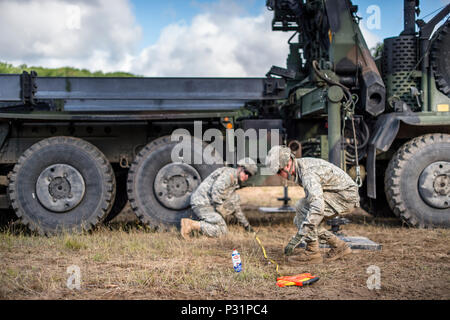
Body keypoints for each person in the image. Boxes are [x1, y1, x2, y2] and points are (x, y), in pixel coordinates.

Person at [265, 145, 360, 263]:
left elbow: (317, 207)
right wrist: (303, 230)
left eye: (279, 171)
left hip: (345, 197)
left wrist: (299, 237)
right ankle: (339, 246)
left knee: (302, 207)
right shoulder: (300, 167)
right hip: (340, 194)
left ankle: (312, 252)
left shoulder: (307, 174)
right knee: (300, 220)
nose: (279, 175)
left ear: (288, 164)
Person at [180, 158, 257, 239]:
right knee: (222, 231)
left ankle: (196, 227)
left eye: (249, 175)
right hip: (202, 203)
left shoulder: (234, 182)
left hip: (207, 204)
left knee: (223, 223)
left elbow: (235, 207)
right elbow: (215, 192)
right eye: (246, 172)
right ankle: (190, 225)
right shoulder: (228, 175)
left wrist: (247, 226)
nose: (247, 176)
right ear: (240, 168)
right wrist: (221, 211)